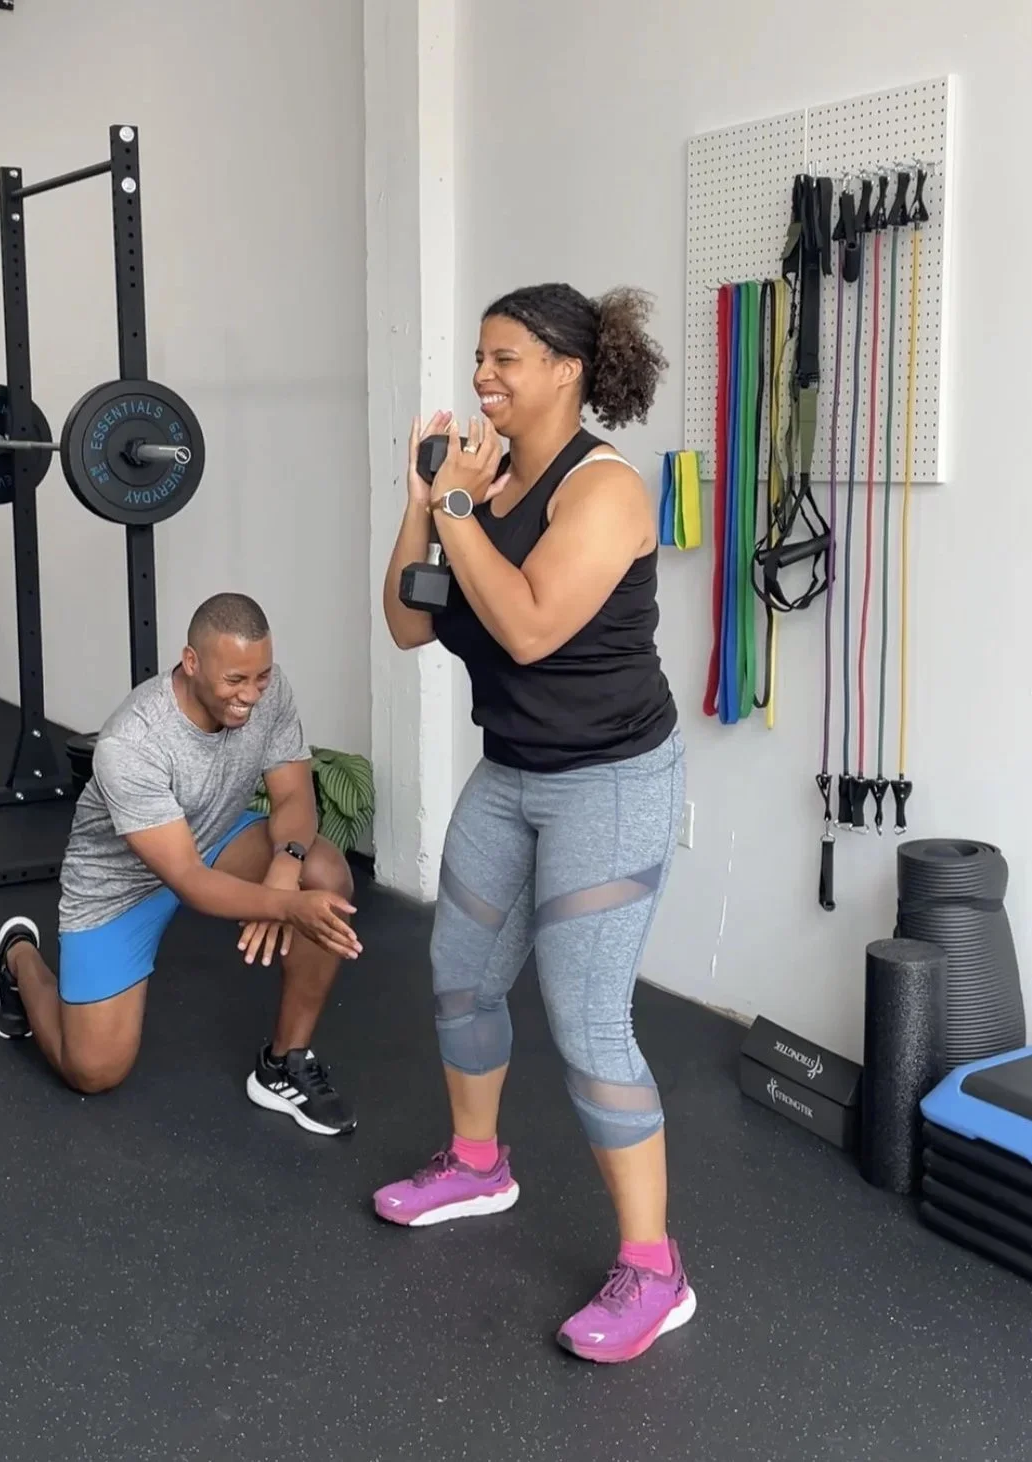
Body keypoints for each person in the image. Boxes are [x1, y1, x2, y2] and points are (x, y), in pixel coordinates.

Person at [376, 282, 691, 1363]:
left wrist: (458, 511)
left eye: (504, 359)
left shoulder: (601, 489)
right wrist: (423, 497)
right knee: (458, 968)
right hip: (510, 771)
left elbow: (525, 631)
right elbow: (409, 624)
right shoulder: (484, 476)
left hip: (609, 780)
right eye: (477, 358)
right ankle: (477, 1163)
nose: (482, 378)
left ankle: (653, 1268)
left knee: (587, 1017)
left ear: (564, 367)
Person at [0, 592, 362, 1137]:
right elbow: (187, 879)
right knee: (92, 1070)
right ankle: (19, 959)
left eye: (260, 677)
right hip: (121, 885)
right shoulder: (132, 743)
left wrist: (288, 863)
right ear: (191, 662)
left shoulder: (267, 689)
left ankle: (285, 1063)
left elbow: (295, 799)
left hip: (212, 840)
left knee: (324, 873)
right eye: (236, 680)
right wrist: (284, 904)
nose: (251, 695)